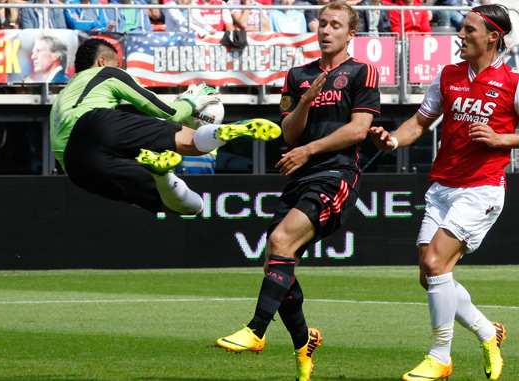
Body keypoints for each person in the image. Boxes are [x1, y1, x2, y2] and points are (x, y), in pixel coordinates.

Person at [369, 4, 519, 380]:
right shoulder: (448, 75)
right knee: (429, 274)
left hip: (481, 188)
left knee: (435, 265)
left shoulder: (518, 84)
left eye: (468, 30)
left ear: (492, 37)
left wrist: (502, 138)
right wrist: (391, 141)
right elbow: (419, 123)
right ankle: (488, 332)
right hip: (442, 186)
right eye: (462, 28)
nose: (460, 35)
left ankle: (440, 356)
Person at [216, 2, 380, 380]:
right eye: (322, 23)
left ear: (350, 33)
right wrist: (305, 100)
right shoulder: (296, 75)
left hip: (338, 174)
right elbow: (288, 134)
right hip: (300, 176)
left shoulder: (362, 72)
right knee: (278, 255)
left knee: (281, 239)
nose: (325, 30)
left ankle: (256, 331)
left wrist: (307, 150)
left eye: (335, 25)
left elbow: (358, 131)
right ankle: (304, 343)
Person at [50, 37, 282, 215]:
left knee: (171, 206)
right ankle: (222, 132)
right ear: (102, 62)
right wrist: (190, 103)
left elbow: (60, 148)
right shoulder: (107, 73)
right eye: (118, 64)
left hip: (76, 168)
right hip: (94, 124)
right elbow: (167, 112)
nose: (121, 69)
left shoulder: (60, 98)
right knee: (191, 142)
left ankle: (161, 176)